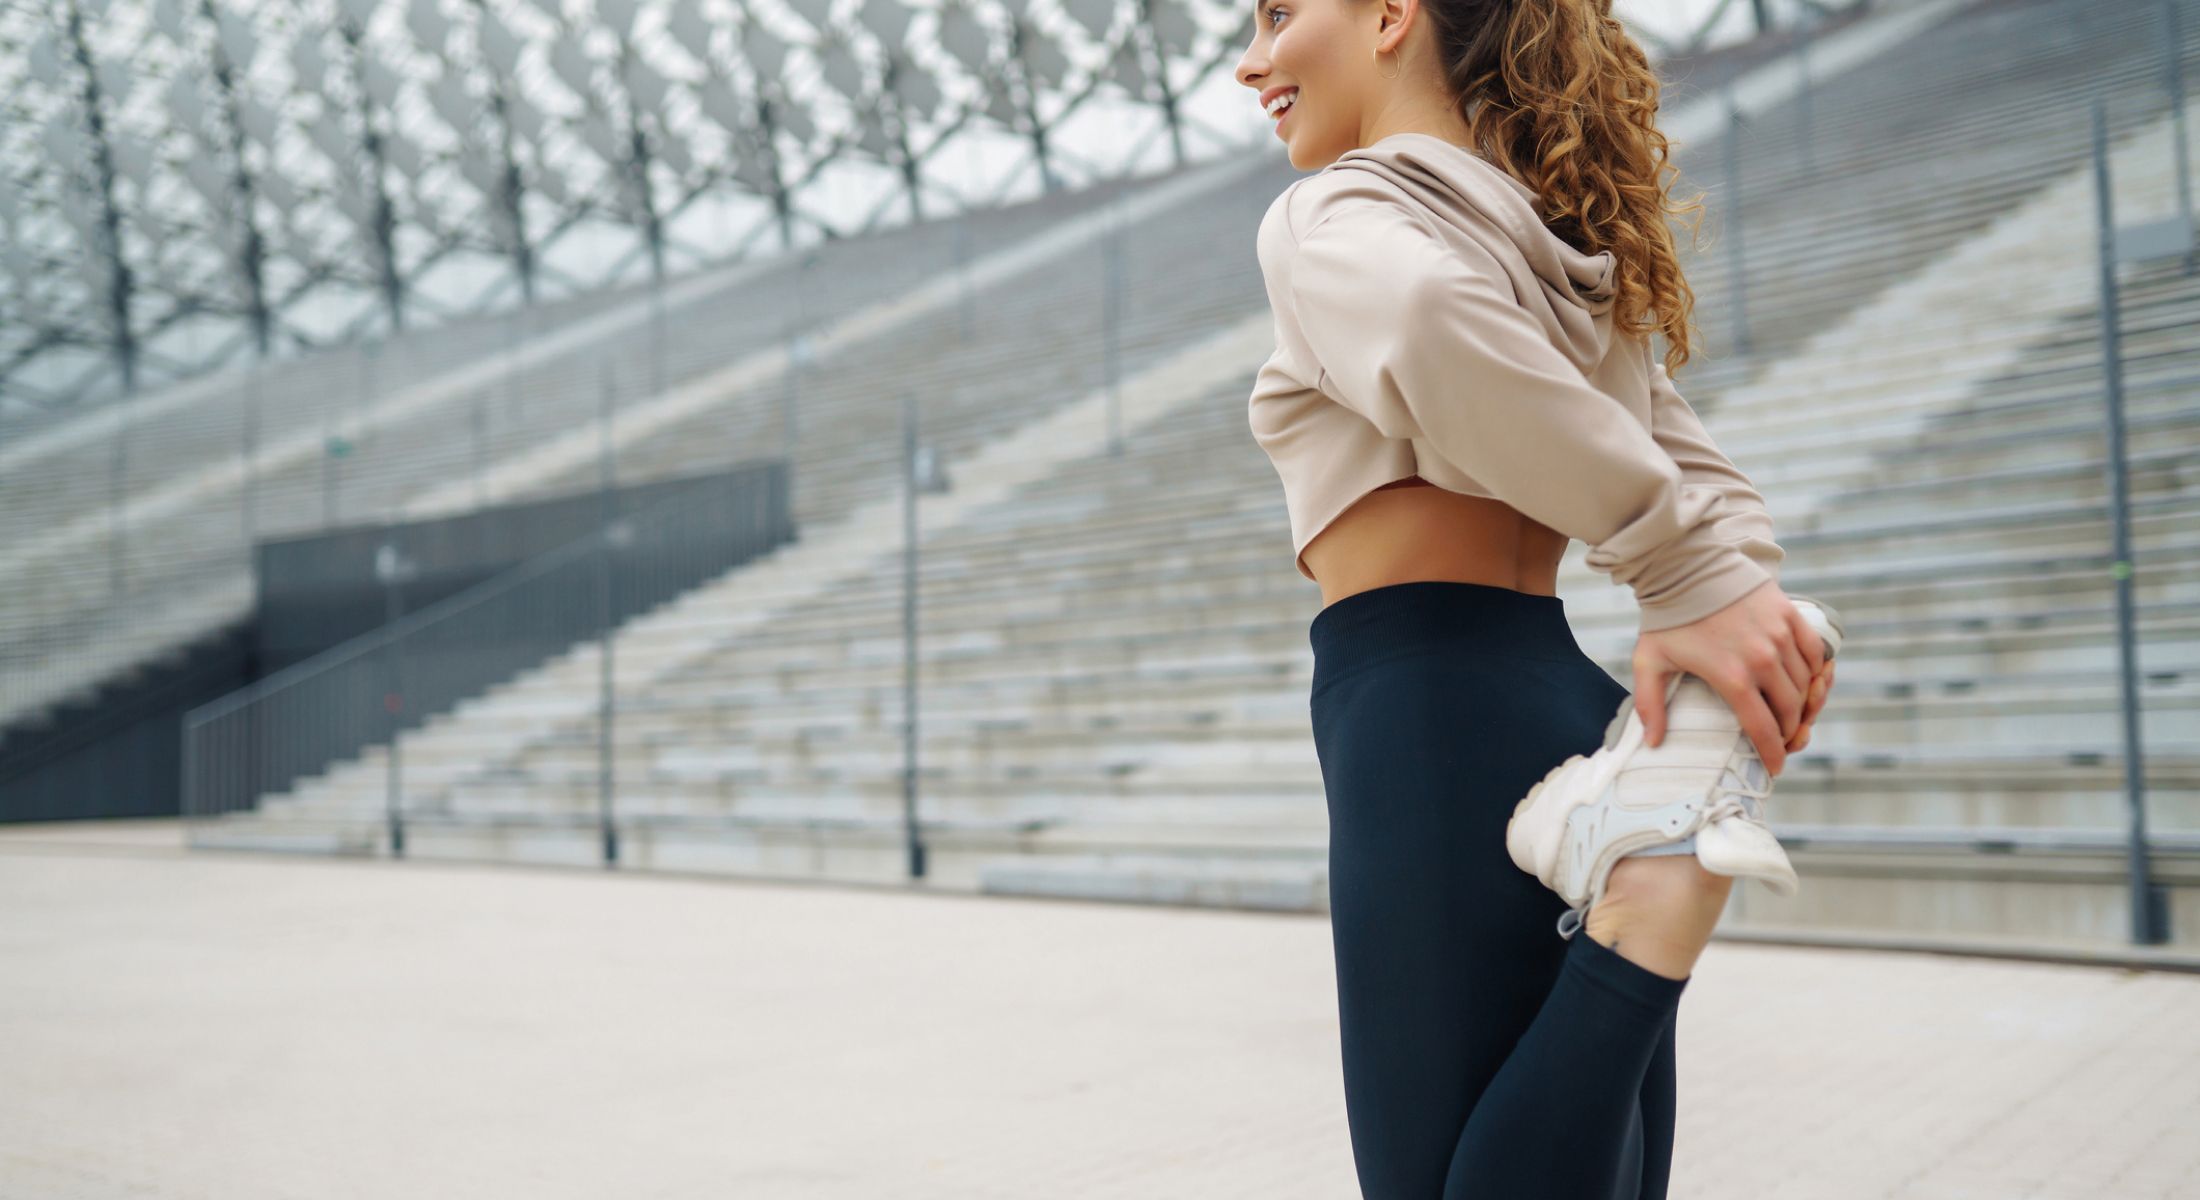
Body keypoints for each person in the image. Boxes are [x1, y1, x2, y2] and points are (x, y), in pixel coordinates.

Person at [1235, 0, 1843, 1197]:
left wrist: (1684, 576)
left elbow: (1418, 322)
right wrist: (1732, 585)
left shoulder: (1334, 214)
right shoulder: (1549, 238)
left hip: (1420, 717)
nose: (1251, 60)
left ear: (1392, 15)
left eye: (1276, 12)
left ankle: (1661, 906)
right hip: (1560, 711)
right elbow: (1683, 453)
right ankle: (1656, 897)